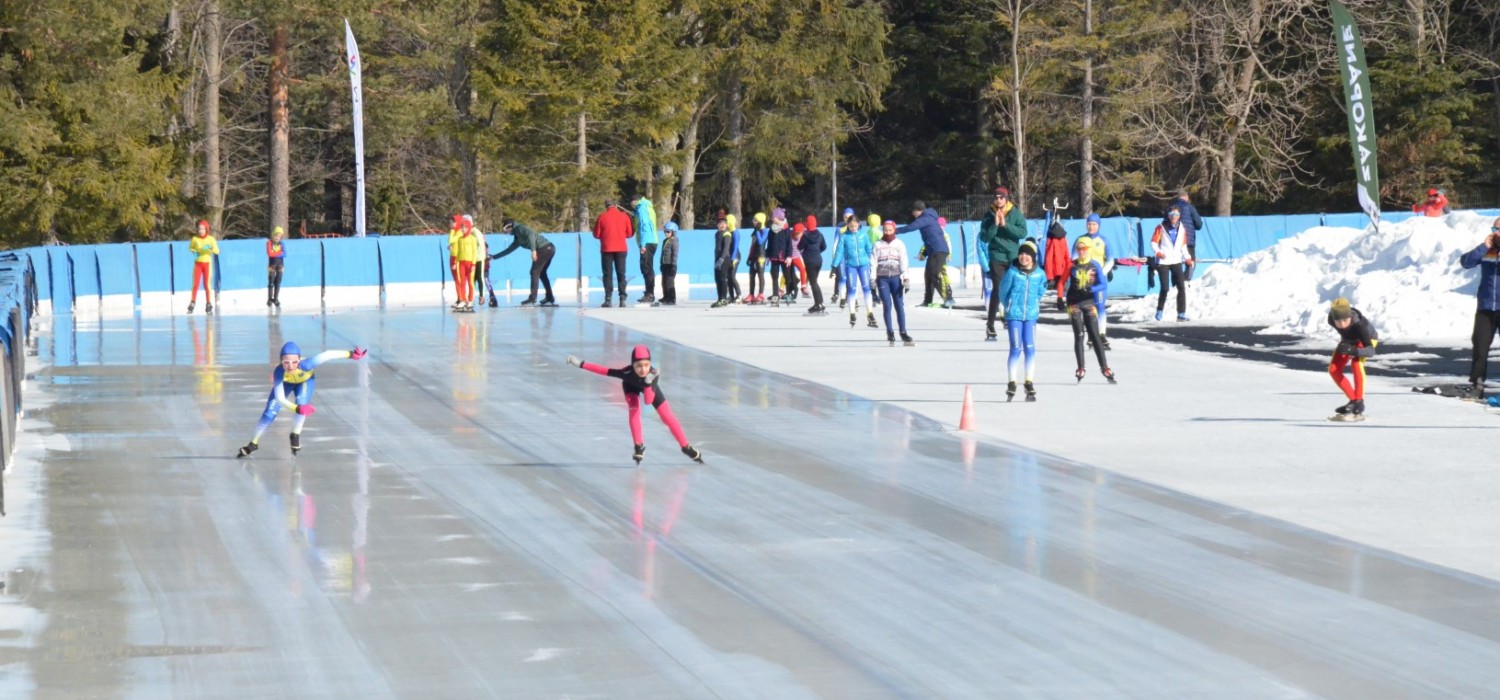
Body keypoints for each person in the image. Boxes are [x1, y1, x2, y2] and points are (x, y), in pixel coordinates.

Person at [565, 345, 703, 464]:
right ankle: (639, 446)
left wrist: (648, 383)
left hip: (649, 387)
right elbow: (603, 370)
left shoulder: (653, 374)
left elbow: (648, 401)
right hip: (631, 386)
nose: (643, 369)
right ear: (632, 365)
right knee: (634, 411)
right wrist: (580, 363)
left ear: (650, 364)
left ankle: (686, 447)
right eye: (638, 366)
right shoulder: (627, 373)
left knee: (667, 415)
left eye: (646, 365)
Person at [237, 342, 367, 458]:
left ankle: (295, 434)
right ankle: (253, 443)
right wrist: (296, 409)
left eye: (294, 362)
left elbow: (327, 355)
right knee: (269, 413)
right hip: (286, 383)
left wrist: (350, 354)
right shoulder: (279, 372)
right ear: (281, 361)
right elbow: (280, 398)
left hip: (305, 382)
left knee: (302, 403)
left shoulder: (307, 364)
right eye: (286, 362)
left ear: (299, 359)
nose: (291, 366)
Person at [998, 240, 1048, 401]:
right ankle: (1012, 382)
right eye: (1021, 253)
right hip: (1014, 315)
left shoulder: (1040, 274)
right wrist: (1009, 306)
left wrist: (1034, 303)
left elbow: (1041, 290)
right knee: (1016, 348)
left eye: (1027, 254)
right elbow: (1003, 292)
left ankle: (1029, 381)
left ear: (1033, 257)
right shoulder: (1012, 272)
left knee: (1030, 348)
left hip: (1031, 316)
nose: (1024, 257)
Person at [1458, 218, 1500, 399]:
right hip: (1485, 307)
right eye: (1495, 229)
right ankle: (1477, 385)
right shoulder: (1486, 250)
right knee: (1480, 348)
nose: (1497, 232)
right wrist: (1483, 247)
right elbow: (1466, 262)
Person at [979, 186, 1027, 340]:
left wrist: (1005, 225)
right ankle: (991, 324)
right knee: (998, 288)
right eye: (996, 197)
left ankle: (1009, 318)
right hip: (997, 256)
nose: (998, 200)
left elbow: (1022, 233)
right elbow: (984, 237)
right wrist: (994, 224)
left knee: (1013, 288)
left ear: (1006, 199)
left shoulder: (1015, 213)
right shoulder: (988, 215)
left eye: (1001, 197)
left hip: (1013, 256)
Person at [1066, 237, 1114, 383]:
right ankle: (1081, 367)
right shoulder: (1071, 266)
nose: (1081, 252)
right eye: (1079, 249)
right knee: (1079, 335)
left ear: (1089, 250)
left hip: (1089, 303)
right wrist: (1060, 297)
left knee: (1094, 335)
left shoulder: (1095, 265)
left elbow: (1103, 285)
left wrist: (1091, 289)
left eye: (1084, 249)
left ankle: (1104, 367)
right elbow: (1061, 281)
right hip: (1074, 304)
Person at [1327, 297, 1378, 419]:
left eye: (1345, 320)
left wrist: (1354, 350)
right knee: (1333, 369)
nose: (1342, 325)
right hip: (1349, 341)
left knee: (1356, 363)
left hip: (1367, 340)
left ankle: (1359, 400)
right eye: (1338, 322)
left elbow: (1371, 351)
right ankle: (1354, 401)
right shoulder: (1330, 320)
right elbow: (1345, 332)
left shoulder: (1360, 325)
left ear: (1350, 316)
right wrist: (1347, 345)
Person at [895, 201, 953, 308]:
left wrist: (894, 230)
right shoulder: (929, 218)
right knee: (928, 275)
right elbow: (931, 237)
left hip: (938, 250)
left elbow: (910, 228)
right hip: (935, 250)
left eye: (913, 211)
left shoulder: (924, 218)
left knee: (935, 274)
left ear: (918, 210)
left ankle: (948, 299)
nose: (913, 214)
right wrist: (925, 253)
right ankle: (928, 300)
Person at [490, 220, 557, 306]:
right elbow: (508, 250)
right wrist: (493, 257)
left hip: (544, 248)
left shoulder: (520, 228)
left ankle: (532, 298)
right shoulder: (518, 239)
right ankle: (549, 297)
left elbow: (531, 234)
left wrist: (533, 250)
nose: (507, 233)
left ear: (510, 227)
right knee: (542, 273)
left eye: (506, 231)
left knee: (534, 272)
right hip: (550, 248)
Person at [874, 220, 914, 346]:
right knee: (887, 304)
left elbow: (903, 261)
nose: (888, 232)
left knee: (899, 305)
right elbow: (873, 262)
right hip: (882, 278)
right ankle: (890, 332)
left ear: (894, 230)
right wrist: (871, 280)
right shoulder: (877, 245)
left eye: (890, 230)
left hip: (896, 278)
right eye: (886, 230)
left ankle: (903, 332)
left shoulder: (899, 244)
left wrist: (906, 278)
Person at [832, 213, 876, 328]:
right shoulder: (844, 236)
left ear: (858, 225)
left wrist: (871, 263)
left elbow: (869, 249)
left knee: (866, 288)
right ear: (847, 225)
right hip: (850, 266)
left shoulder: (864, 235)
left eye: (855, 226)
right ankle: (852, 313)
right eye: (851, 226)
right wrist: (834, 265)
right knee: (852, 289)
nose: (853, 228)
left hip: (863, 265)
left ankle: (870, 312)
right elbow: (839, 252)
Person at [1151, 206, 1192, 322]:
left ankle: (1181, 312)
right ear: (1168, 215)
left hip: (1176, 260)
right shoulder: (1161, 227)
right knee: (1165, 288)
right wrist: (1158, 252)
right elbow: (1153, 242)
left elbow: (1183, 246)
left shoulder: (1182, 228)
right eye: (1172, 214)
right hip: (1163, 260)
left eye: (1176, 214)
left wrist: (1187, 257)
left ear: (1179, 216)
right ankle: (1159, 310)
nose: (1174, 217)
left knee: (1181, 287)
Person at [593, 198, 634, 307]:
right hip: (621, 248)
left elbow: (596, 234)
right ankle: (622, 297)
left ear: (606, 206)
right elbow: (629, 234)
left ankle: (608, 298)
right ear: (616, 205)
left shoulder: (602, 217)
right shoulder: (624, 216)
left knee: (607, 274)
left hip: (607, 248)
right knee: (621, 273)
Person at [1171, 190, 1206, 280]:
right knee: (1190, 263)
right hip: (1188, 240)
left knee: (1174, 264)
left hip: (1173, 241)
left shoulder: (1170, 208)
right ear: (1187, 198)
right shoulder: (1190, 208)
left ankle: (1176, 285)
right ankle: (1185, 282)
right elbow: (1199, 224)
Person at [187, 219, 219, 314]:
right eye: (199, 229)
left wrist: (211, 247)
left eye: (202, 229)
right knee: (195, 284)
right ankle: (192, 302)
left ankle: (208, 303)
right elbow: (191, 248)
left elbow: (217, 251)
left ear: (206, 229)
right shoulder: (194, 239)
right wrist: (194, 252)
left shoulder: (211, 239)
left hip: (207, 265)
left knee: (206, 284)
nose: (200, 231)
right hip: (197, 264)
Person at [633, 194, 658, 304]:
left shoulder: (641, 208)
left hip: (647, 241)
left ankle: (650, 294)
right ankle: (649, 292)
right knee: (647, 267)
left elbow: (645, 225)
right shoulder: (648, 207)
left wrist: (643, 244)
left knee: (646, 268)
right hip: (652, 240)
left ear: (635, 201)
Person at [800, 216, 828, 314]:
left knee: (813, 283)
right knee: (814, 282)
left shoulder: (805, 235)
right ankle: (819, 303)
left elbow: (800, 246)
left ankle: (818, 304)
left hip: (809, 261)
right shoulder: (819, 234)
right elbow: (824, 246)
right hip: (818, 261)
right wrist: (817, 251)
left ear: (807, 224)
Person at [1043, 218, 1072, 311]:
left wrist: (1049, 276)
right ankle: (1063, 300)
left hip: (1055, 268)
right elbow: (1067, 253)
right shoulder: (1063, 238)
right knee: (1062, 283)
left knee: (1060, 283)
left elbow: (1048, 258)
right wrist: (1069, 264)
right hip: (1063, 266)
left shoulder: (1050, 239)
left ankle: (1060, 300)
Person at [451, 217, 480, 312]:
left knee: (470, 282)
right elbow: (458, 251)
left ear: (468, 228)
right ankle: (463, 300)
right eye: (461, 228)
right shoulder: (459, 239)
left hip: (470, 263)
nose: (462, 229)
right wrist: (455, 262)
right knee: (462, 282)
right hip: (461, 263)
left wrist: (473, 264)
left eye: (463, 228)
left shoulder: (472, 239)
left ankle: (470, 300)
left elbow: (475, 252)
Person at [711, 216, 736, 308]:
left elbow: (725, 248)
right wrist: (716, 259)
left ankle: (724, 298)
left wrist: (721, 259)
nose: (722, 225)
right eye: (720, 223)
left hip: (724, 259)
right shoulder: (717, 234)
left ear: (726, 225)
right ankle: (719, 298)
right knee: (717, 279)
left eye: (723, 223)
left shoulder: (727, 234)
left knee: (722, 278)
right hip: (717, 258)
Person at [767, 208, 790, 303]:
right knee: (774, 275)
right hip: (774, 256)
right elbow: (769, 243)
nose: (772, 219)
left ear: (779, 218)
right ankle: (775, 294)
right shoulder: (771, 229)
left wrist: (789, 256)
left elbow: (789, 243)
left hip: (784, 256)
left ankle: (789, 293)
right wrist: (768, 254)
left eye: (774, 217)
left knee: (787, 275)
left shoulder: (785, 228)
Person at [746, 213, 770, 304]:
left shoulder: (765, 231)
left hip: (761, 256)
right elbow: (752, 245)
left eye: (755, 220)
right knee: (751, 275)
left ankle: (760, 294)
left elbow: (760, 241)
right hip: (753, 256)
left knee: (760, 274)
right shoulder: (755, 231)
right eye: (753, 220)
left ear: (760, 221)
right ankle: (751, 294)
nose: (753, 222)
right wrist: (749, 256)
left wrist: (757, 230)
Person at [659, 222, 680, 305]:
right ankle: (666, 296)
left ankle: (672, 298)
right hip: (664, 264)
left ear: (673, 232)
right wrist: (661, 263)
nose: (666, 233)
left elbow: (675, 254)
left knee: (669, 282)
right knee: (663, 282)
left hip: (670, 265)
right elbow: (663, 253)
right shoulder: (665, 241)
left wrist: (673, 265)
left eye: (668, 232)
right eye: (665, 231)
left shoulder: (674, 241)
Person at [266, 225, 285, 309]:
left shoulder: (282, 243)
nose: (277, 237)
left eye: (279, 236)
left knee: (278, 281)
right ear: (273, 235)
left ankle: (276, 298)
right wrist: (279, 253)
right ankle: (270, 299)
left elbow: (285, 254)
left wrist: (279, 253)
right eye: (276, 235)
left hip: (280, 265)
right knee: (271, 281)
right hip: (272, 265)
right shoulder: (269, 243)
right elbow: (270, 254)